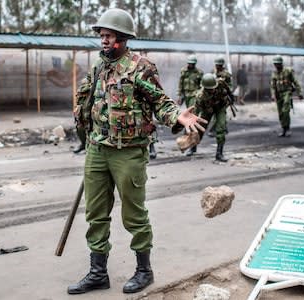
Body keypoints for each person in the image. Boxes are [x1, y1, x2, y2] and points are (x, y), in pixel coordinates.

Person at [68, 8, 206, 295]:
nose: (103, 40)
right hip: (97, 149)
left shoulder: (140, 67)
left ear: (122, 38)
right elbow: (88, 100)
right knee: (95, 213)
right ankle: (98, 273)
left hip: (129, 152)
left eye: (108, 36)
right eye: (102, 36)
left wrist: (177, 116)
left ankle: (144, 271)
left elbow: (160, 100)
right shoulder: (98, 66)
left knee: (133, 214)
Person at [185, 73, 231, 162]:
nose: (212, 90)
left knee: (221, 128)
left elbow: (228, 91)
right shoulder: (200, 96)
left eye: (213, 88)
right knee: (200, 128)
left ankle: (219, 153)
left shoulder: (221, 84)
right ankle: (193, 147)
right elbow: (196, 111)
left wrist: (230, 99)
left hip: (220, 108)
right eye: (209, 89)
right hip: (207, 110)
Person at [270, 55, 303, 137]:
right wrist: (273, 95)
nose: (276, 65)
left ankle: (287, 128)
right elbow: (272, 86)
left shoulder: (288, 71)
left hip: (287, 93)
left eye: (278, 64)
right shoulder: (274, 73)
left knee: (285, 110)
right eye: (275, 64)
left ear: (281, 63)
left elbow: (296, 82)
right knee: (280, 113)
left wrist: (299, 93)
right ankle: (284, 128)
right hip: (278, 94)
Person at [208, 56, 232, 137]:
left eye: (219, 65)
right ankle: (222, 128)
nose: (217, 66)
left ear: (222, 65)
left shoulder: (226, 74)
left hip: (223, 98)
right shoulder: (212, 72)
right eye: (216, 65)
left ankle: (217, 129)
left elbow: (230, 86)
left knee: (221, 114)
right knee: (216, 114)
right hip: (213, 98)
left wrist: (228, 94)